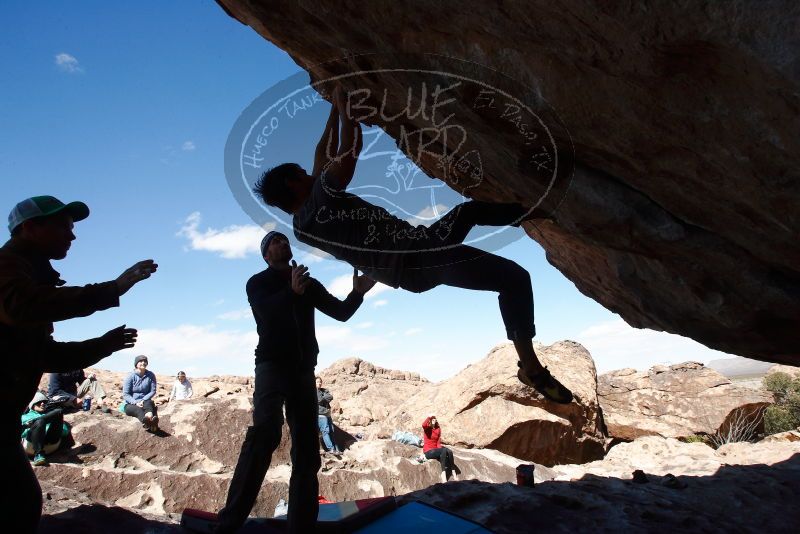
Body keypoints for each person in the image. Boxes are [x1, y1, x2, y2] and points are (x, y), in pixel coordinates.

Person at [253, 85, 573, 405]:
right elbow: (347, 151)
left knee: (512, 275)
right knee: (474, 219)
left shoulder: (302, 224)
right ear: (293, 184)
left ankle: (530, 368)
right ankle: (542, 210)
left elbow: (322, 154)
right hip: (418, 259)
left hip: (418, 258)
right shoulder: (319, 204)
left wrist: (335, 109)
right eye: (302, 173)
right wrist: (345, 108)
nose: (311, 171)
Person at [0, 195, 155, 532]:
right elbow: (20, 305)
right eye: (64, 227)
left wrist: (104, 344)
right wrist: (113, 289)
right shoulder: (7, 267)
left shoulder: (29, 274)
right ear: (30, 228)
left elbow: (44, 355)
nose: (72, 236)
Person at [215, 231, 375, 534]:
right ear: (265, 255)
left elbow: (340, 312)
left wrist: (358, 293)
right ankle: (228, 523)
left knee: (306, 450)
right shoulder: (257, 283)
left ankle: (300, 527)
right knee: (264, 435)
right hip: (272, 367)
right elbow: (267, 313)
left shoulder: (307, 281)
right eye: (274, 242)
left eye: (283, 240)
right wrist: (292, 292)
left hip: (303, 371)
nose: (281, 242)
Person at [21, 392, 65, 467]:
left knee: (59, 411)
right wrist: (37, 426)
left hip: (51, 443)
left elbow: (65, 431)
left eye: (44, 402)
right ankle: (38, 454)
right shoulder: (24, 417)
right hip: (32, 445)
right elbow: (22, 433)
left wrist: (46, 427)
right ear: (32, 404)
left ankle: (36, 422)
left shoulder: (51, 415)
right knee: (40, 422)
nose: (42, 404)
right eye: (39, 402)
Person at [122, 355, 159, 431]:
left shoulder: (151, 375)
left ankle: (149, 419)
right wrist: (135, 402)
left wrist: (143, 399)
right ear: (136, 364)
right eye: (141, 361)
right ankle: (149, 422)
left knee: (148, 404)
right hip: (131, 403)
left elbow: (153, 391)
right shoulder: (130, 376)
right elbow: (126, 394)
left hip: (146, 400)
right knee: (137, 410)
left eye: (145, 361)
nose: (143, 363)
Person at [422, 414, 460, 483]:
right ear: (430, 421)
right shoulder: (427, 428)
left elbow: (438, 443)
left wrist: (442, 453)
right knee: (444, 450)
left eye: (435, 419)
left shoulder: (438, 429)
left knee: (449, 451)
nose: (434, 421)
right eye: (432, 420)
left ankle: (453, 471)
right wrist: (429, 417)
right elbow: (423, 425)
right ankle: (443, 474)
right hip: (428, 451)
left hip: (436, 450)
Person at [315, 376, 339, 454]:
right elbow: (319, 399)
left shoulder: (324, 390)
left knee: (331, 431)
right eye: (317, 382)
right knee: (325, 431)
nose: (319, 383)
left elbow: (330, 397)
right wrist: (324, 398)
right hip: (321, 415)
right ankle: (331, 448)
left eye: (320, 381)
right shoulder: (314, 391)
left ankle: (336, 449)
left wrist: (323, 397)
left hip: (327, 414)